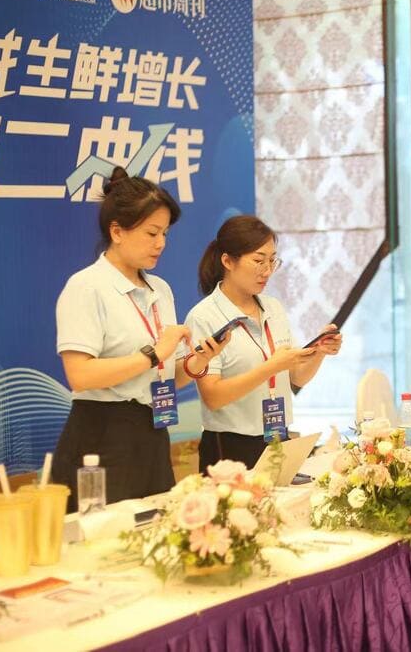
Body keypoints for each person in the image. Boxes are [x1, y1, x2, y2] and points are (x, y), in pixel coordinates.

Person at [52, 167, 227, 511]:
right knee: (108, 537)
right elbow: (80, 375)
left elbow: (164, 376)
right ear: (117, 231)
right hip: (101, 435)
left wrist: (198, 362)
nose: (161, 243)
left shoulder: (160, 289)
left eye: (164, 233)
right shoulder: (86, 287)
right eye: (151, 233)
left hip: (153, 432)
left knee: (158, 530)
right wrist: (153, 354)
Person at [185, 216, 343, 472]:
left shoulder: (273, 307)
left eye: (272, 260)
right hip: (230, 446)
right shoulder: (204, 316)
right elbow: (213, 397)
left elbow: (297, 378)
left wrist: (319, 352)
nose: (267, 270)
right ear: (227, 261)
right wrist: (271, 367)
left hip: (278, 436)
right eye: (259, 261)